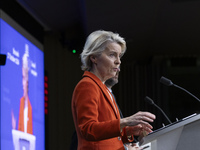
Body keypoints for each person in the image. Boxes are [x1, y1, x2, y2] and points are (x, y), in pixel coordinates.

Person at [71, 30, 156, 150]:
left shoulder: (103, 88)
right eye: (112, 55)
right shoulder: (87, 85)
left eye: (119, 56)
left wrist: (130, 131)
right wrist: (125, 121)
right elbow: (88, 129)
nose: (118, 61)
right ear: (94, 57)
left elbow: (108, 135)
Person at [11, 52, 33, 134]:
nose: (23, 83)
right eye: (22, 78)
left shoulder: (30, 107)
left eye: (24, 78)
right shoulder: (19, 103)